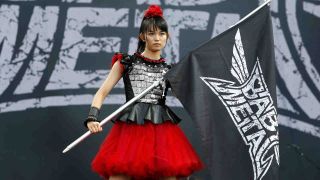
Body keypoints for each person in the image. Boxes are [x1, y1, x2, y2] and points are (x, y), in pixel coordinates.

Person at [84, 5, 204, 180]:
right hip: (130, 131)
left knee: (168, 175)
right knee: (119, 176)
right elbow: (102, 92)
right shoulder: (127, 62)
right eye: (152, 33)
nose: (157, 38)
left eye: (162, 34)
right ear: (143, 36)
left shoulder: (170, 70)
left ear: (167, 37)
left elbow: (191, 99)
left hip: (163, 135)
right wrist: (92, 118)